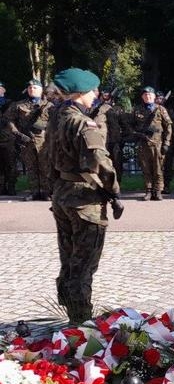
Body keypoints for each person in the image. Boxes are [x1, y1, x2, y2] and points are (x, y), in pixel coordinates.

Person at [48, 68, 123, 325]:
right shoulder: (82, 123)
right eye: (92, 91)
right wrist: (114, 192)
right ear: (80, 93)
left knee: (69, 259)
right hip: (84, 200)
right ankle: (81, 324)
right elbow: (101, 161)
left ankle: (71, 314)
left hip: (62, 194)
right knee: (84, 264)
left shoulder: (56, 116)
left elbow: (48, 156)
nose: (96, 95)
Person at [3, 79, 53, 200]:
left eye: (35, 87)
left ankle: (46, 192)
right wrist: (16, 133)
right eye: (30, 88)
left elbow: (55, 121)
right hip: (25, 140)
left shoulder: (49, 106)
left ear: (41, 90)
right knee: (31, 167)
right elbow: (9, 120)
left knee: (45, 166)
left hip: (43, 140)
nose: (32, 90)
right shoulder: (18, 105)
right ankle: (34, 192)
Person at [130, 86, 172, 201]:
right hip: (143, 144)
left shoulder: (160, 109)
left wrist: (166, 143)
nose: (147, 97)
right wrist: (136, 134)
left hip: (157, 143)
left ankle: (157, 191)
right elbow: (130, 125)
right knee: (146, 169)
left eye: (150, 95)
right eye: (145, 95)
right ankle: (148, 191)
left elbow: (168, 126)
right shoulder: (137, 110)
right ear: (142, 97)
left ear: (154, 97)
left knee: (158, 169)